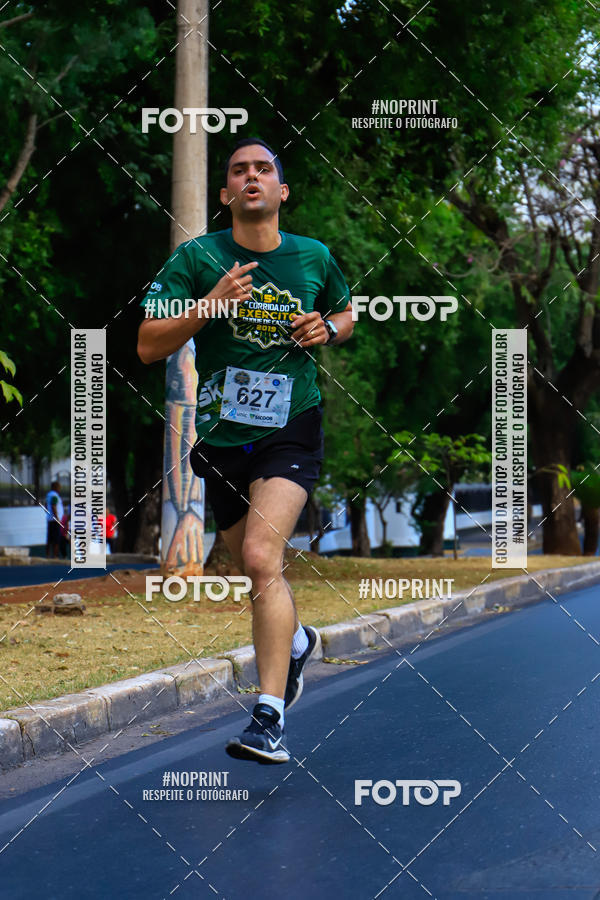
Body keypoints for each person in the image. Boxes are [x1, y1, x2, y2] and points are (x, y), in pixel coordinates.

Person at [137, 137, 354, 763]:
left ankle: (269, 717)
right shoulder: (197, 257)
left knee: (262, 557)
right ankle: (297, 642)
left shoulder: (314, 256)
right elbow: (148, 344)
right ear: (226, 193)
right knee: (255, 572)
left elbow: (347, 314)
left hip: (292, 424)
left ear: (282, 191)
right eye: (239, 171)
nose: (251, 177)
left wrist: (326, 328)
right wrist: (209, 305)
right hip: (222, 437)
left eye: (264, 170)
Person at [45, 480, 64, 559]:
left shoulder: (48, 495)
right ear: (55, 487)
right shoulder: (55, 495)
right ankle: (55, 555)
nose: (60, 489)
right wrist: (57, 518)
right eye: (59, 487)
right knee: (56, 538)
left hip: (50, 519)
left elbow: (46, 505)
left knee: (50, 538)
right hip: (55, 520)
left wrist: (48, 514)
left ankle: (48, 555)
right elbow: (53, 506)